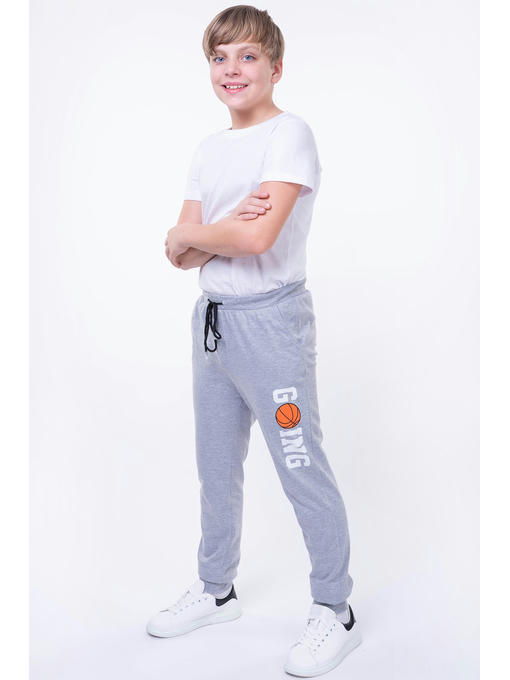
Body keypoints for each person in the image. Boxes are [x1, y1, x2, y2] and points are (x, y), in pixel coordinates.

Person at [147, 5, 362, 676]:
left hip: (272, 326)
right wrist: (217, 230)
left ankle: (335, 608)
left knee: (300, 464)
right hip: (213, 325)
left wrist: (203, 232)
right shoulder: (209, 150)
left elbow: (257, 238)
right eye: (220, 58)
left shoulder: (289, 135)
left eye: (247, 56)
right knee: (216, 467)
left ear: (275, 67)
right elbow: (177, 255)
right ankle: (217, 589)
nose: (232, 70)